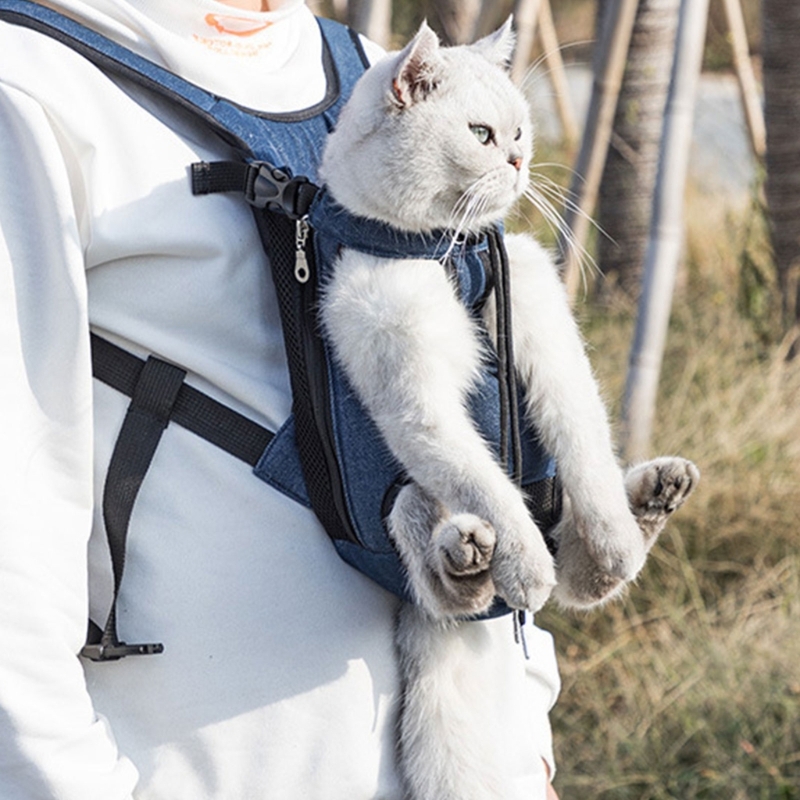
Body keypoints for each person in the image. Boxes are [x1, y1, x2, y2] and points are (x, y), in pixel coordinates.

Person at [0, 0, 561, 797]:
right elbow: (10, 542)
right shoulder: (31, 85)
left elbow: (486, 432)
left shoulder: (379, 73)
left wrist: (523, 739)